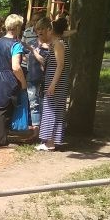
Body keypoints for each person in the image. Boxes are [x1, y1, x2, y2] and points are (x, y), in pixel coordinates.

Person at [0, 14, 27, 147]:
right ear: (17, 27)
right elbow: (16, 67)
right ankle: (2, 140)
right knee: (5, 110)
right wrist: (23, 82)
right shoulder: (15, 45)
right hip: (8, 79)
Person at [38, 17, 69, 151]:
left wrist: (53, 84)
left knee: (51, 110)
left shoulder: (58, 44)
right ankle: (50, 141)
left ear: (51, 30)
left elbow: (60, 65)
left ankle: (50, 142)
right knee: (53, 110)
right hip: (54, 81)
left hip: (56, 83)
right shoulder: (59, 42)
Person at [27, 17, 52, 130]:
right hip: (32, 79)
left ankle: (44, 131)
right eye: (38, 29)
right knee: (33, 105)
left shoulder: (51, 46)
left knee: (43, 105)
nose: (40, 31)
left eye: (42, 29)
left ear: (48, 30)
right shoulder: (32, 43)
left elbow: (44, 61)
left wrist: (33, 51)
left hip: (45, 81)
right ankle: (36, 129)